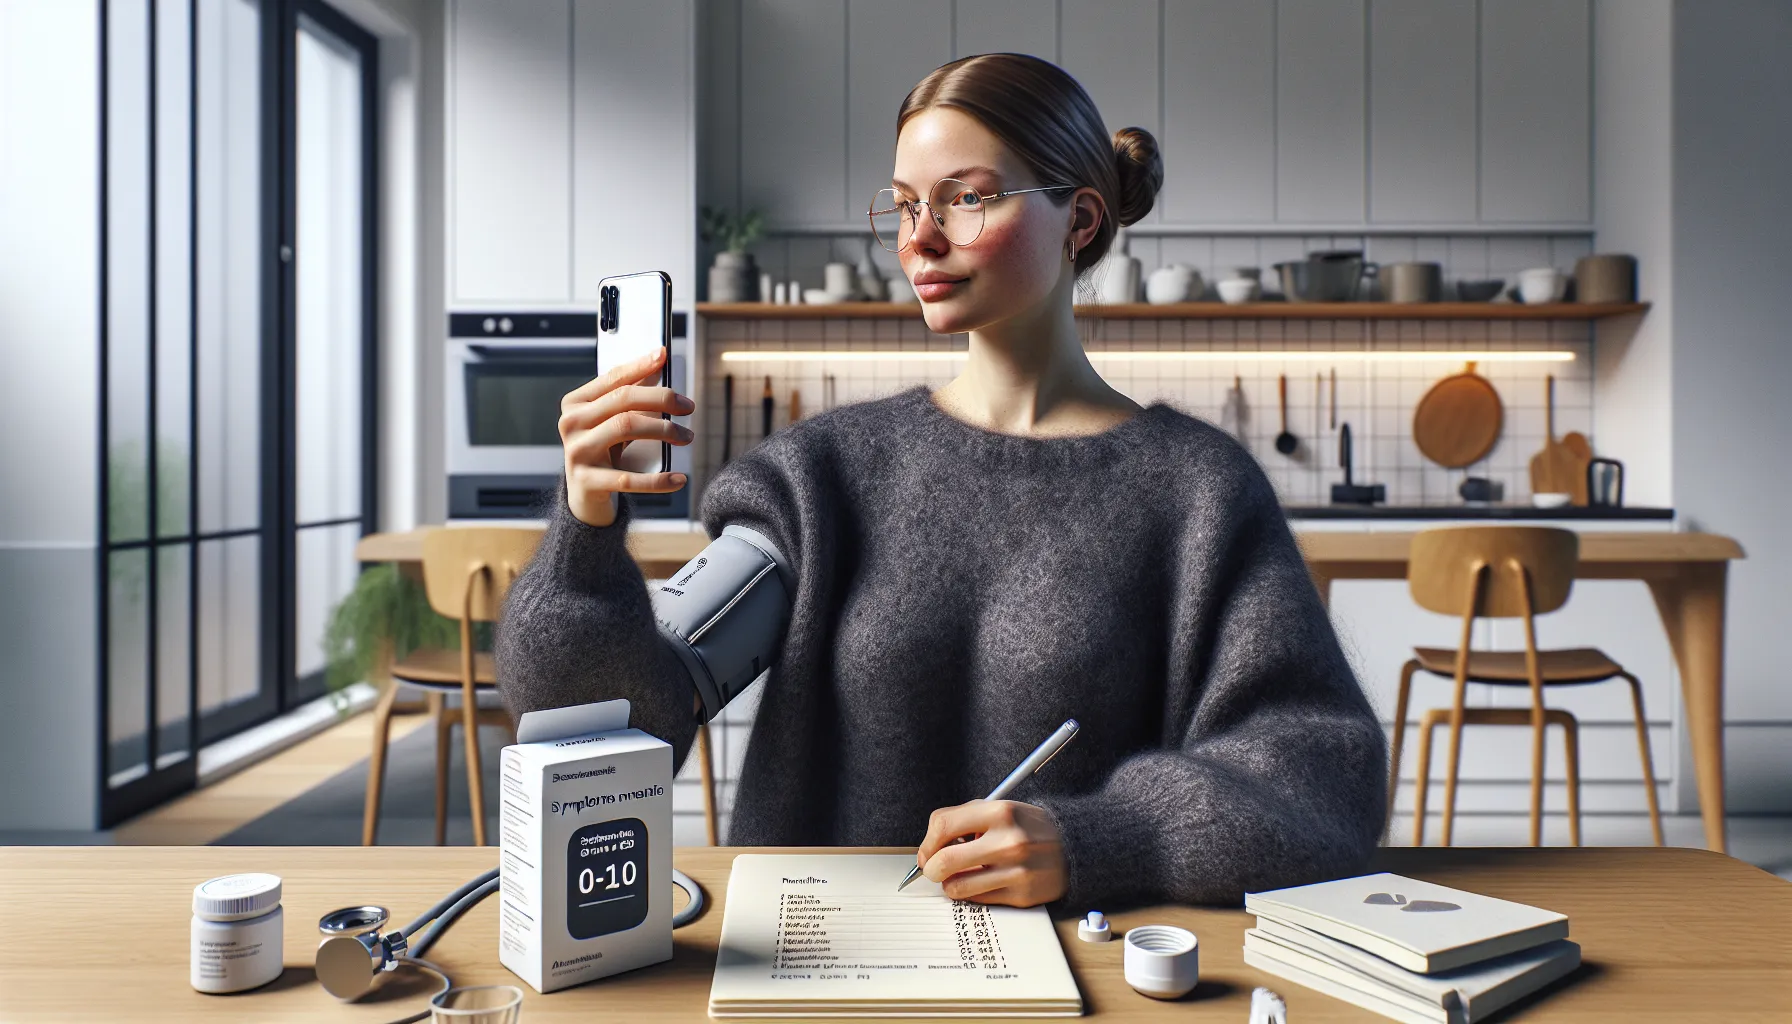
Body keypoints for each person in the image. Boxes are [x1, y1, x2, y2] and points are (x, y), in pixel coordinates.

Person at [496, 52, 1386, 912]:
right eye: (906, 204)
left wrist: (1105, 838)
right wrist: (586, 531)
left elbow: (1319, 774)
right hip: (823, 967)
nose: (918, 239)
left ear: (1078, 221)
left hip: (1090, 981)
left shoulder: (1201, 495)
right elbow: (619, 727)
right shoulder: (823, 479)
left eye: (965, 200)